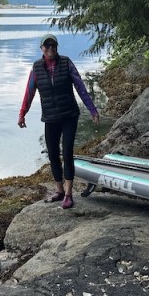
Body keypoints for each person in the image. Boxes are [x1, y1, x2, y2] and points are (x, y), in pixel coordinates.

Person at [17, 33, 99, 209]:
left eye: (53, 46)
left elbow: (80, 87)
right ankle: (59, 190)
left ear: (57, 47)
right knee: (53, 154)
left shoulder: (66, 62)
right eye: (47, 46)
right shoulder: (37, 68)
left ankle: (69, 194)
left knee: (67, 152)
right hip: (50, 118)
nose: (50, 49)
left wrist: (92, 109)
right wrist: (22, 113)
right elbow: (29, 92)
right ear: (42, 49)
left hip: (69, 115)